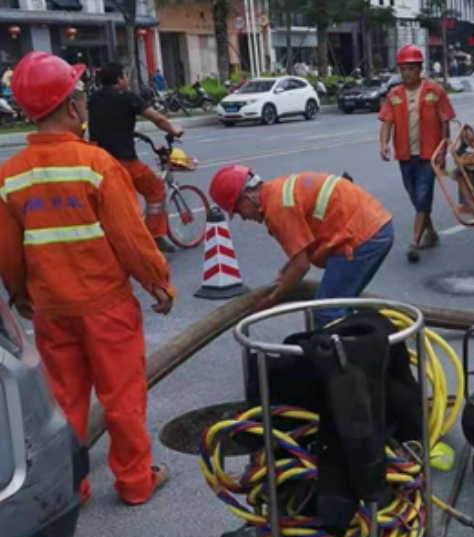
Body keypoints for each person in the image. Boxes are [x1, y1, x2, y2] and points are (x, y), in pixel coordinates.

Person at [0, 51, 175, 506]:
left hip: (52, 309)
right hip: (105, 305)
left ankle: (72, 486)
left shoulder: (10, 175)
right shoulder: (95, 165)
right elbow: (130, 238)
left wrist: (20, 295)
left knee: (65, 400)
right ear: (72, 107)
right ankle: (135, 481)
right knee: (122, 397)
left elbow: (8, 252)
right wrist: (158, 281)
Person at [207, 167, 394, 327]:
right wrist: (284, 274)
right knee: (340, 302)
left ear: (248, 197)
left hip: (362, 238)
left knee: (326, 312)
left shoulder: (277, 209)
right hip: (375, 226)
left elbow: (301, 266)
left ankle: (346, 364)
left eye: (239, 211)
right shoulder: (276, 191)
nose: (244, 218)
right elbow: (301, 253)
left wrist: (274, 299)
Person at [88, 62, 183, 254]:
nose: (127, 80)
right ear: (119, 79)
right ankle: (155, 236)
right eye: (125, 76)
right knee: (155, 190)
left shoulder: (94, 98)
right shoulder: (128, 97)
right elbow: (157, 118)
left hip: (96, 161)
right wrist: (175, 129)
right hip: (123, 161)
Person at [379, 44, 455, 262]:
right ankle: (430, 233)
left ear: (419, 69)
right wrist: (384, 144)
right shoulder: (394, 94)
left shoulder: (435, 91)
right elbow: (386, 122)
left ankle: (414, 242)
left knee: (423, 195)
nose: (406, 73)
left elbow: (445, 121)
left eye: (410, 68)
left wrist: (443, 150)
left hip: (428, 155)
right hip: (405, 155)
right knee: (415, 196)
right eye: (403, 69)